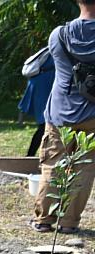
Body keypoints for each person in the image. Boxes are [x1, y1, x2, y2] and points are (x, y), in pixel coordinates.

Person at [32, 0, 95, 234]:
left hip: (61, 113)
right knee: (84, 168)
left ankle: (43, 220)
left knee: (52, 165)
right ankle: (69, 224)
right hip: (93, 115)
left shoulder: (58, 35)